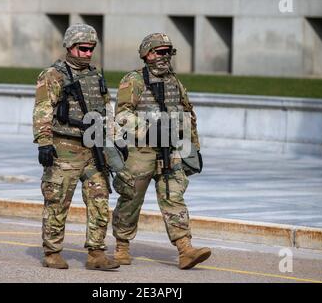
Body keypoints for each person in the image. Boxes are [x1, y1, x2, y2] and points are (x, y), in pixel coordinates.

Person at [112, 33, 211, 269]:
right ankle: (122, 245)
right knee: (131, 198)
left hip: (172, 149)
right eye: (159, 51)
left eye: (168, 51)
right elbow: (122, 115)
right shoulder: (133, 80)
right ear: (147, 54)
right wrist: (148, 127)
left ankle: (185, 248)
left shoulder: (175, 82)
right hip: (141, 150)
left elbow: (188, 113)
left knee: (173, 196)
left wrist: (193, 146)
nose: (164, 56)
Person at [32, 23, 120, 270]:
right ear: (70, 47)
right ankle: (52, 252)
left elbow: (107, 110)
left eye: (91, 48)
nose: (88, 53)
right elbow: (42, 110)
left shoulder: (95, 74)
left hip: (94, 150)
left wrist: (114, 140)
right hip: (64, 148)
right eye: (83, 48)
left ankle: (96, 254)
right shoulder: (53, 75)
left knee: (100, 200)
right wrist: (44, 143)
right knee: (58, 201)